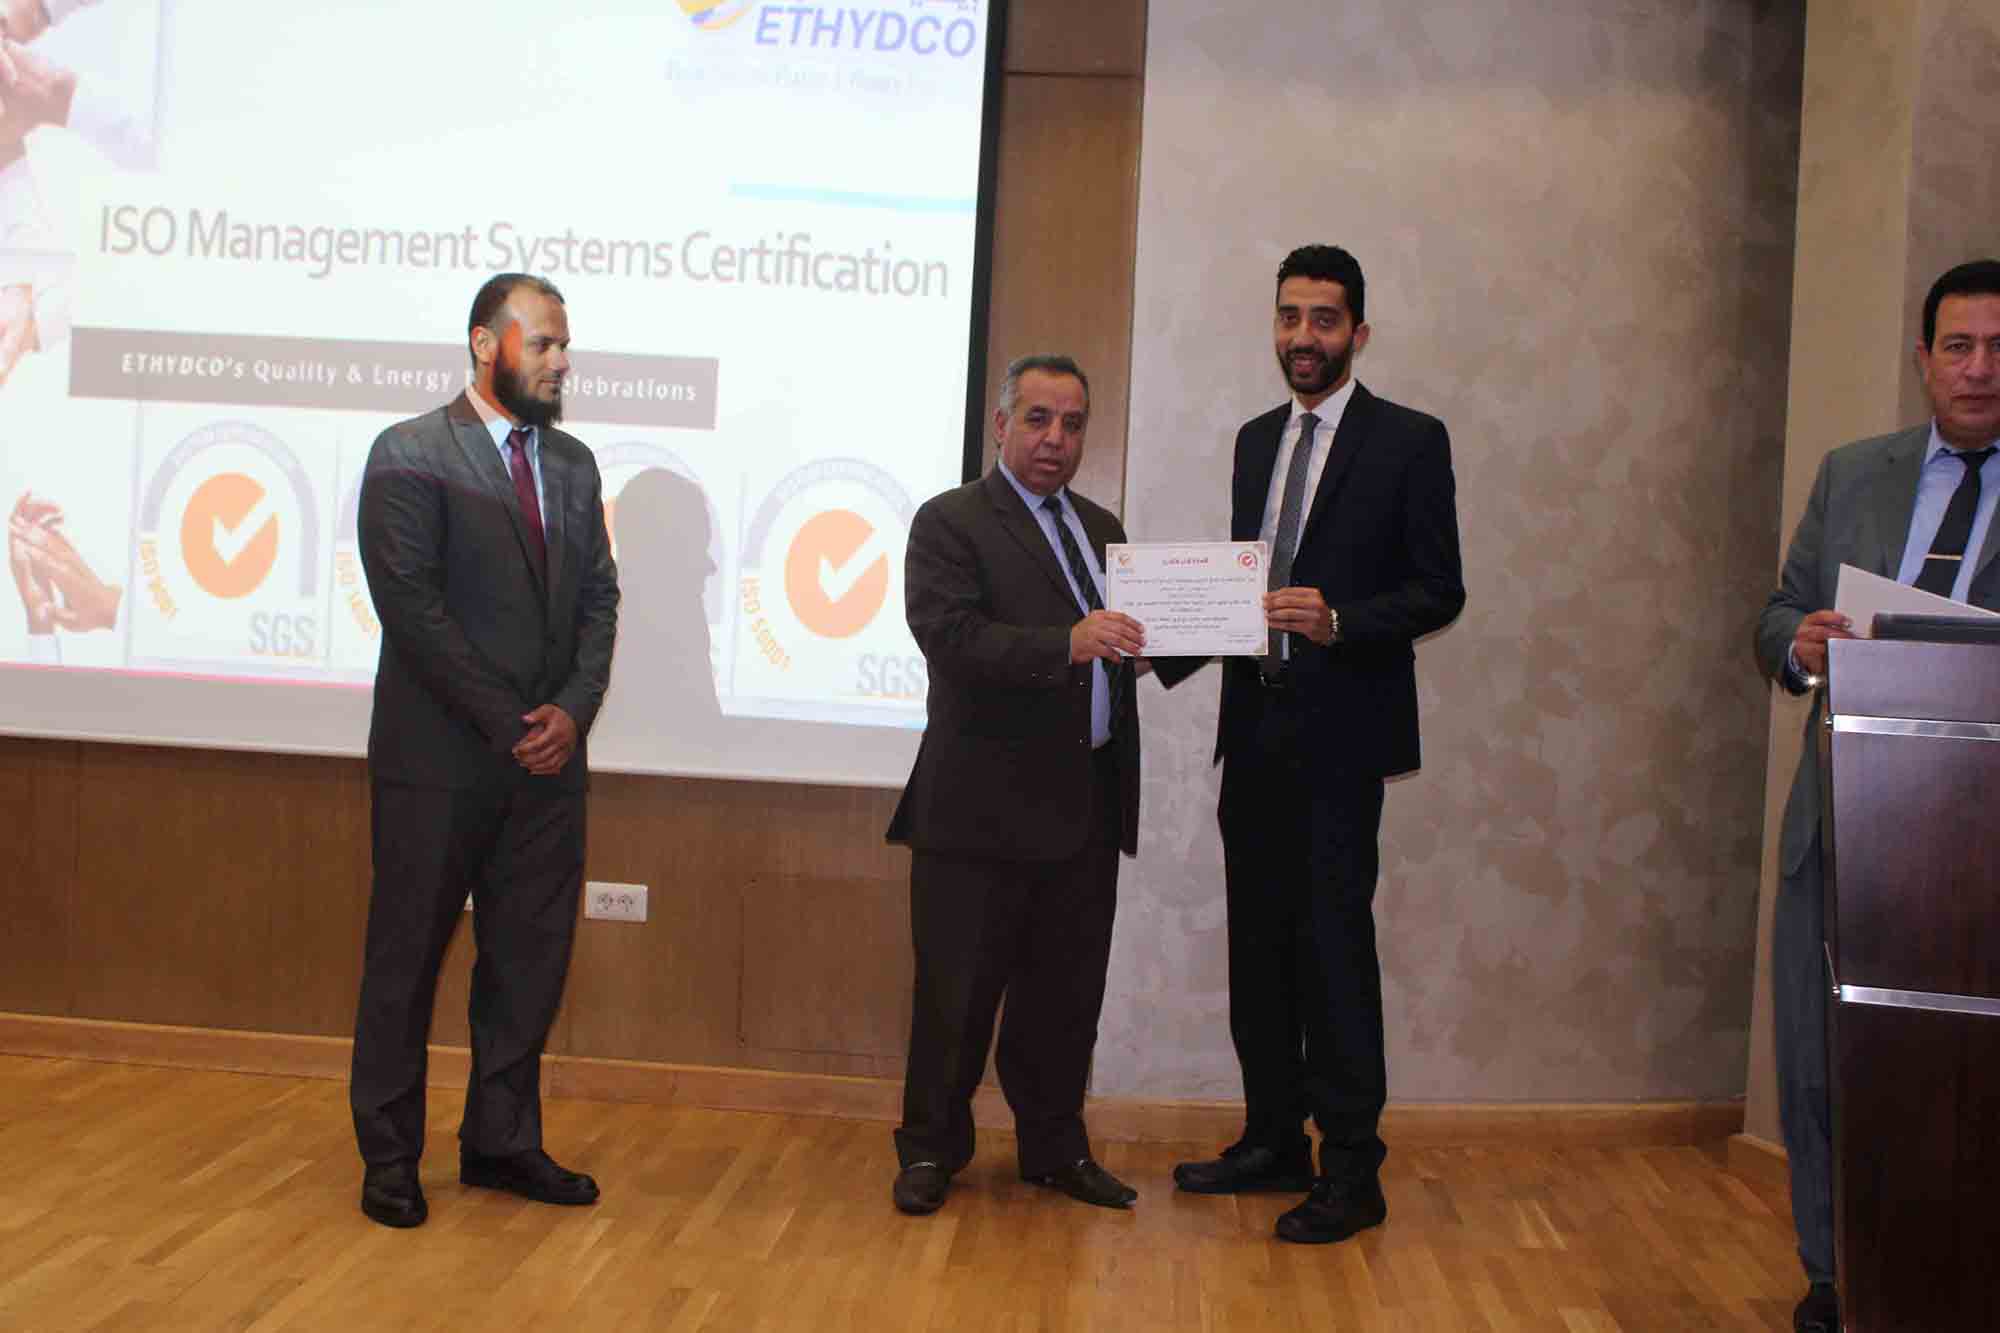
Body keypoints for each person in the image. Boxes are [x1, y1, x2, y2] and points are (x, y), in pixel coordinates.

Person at [1154, 244, 1464, 1244]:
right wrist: (1162, 630)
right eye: (1288, 316)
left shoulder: (1409, 441)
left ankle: (1353, 1171)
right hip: (1253, 733)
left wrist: (1340, 620)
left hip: (1340, 743)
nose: (1303, 336)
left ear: (1356, 333)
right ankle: (1272, 1140)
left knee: (1332, 955)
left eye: (1323, 319)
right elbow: (1242, 582)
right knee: (1259, 953)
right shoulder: (1256, 441)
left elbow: (1440, 589)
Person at [1754, 258, 2000, 1333]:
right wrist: (1798, 645)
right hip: (1843, 824)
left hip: (1979, 845)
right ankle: (1835, 1273)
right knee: (1823, 1067)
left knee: (1963, 1083)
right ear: (1922, 360)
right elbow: (1775, 614)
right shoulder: (1852, 474)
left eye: (1999, 347)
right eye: (1959, 346)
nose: (1979, 368)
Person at [349, 273, 619, 1229]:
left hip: (548, 767)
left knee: (527, 964)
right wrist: (516, 723)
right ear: (483, 343)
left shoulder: (575, 465)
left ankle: (500, 1141)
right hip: (438, 763)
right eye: (542, 343)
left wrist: (572, 713)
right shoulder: (411, 452)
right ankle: (390, 1158)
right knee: (406, 962)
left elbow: (599, 600)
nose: (559, 361)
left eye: (564, 345)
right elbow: (413, 611)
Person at [886, 353, 1147, 1216]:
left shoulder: (1103, 528)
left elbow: (1126, 641)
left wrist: (1188, 631)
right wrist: (1068, 644)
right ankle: (930, 1150)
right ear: (1000, 425)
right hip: (978, 812)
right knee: (954, 1000)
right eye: (1037, 419)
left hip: (1085, 806)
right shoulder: (950, 522)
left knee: (1065, 1001)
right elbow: (952, 637)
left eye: (1072, 423)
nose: (1055, 438)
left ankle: (1055, 1148)